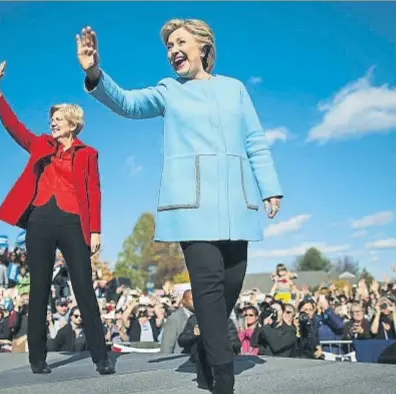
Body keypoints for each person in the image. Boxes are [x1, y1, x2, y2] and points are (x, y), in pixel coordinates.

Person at [76, 19, 282, 393]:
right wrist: (94, 73)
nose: (172, 50)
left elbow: (255, 140)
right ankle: (223, 377)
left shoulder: (234, 89)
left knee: (231, 283)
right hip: (192, 206)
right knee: (208, 288)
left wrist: (270, 188)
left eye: (180, 41)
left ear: (203, 46)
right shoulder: (168, 90)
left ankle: (205, 344)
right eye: (169, 45)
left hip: (237, 204)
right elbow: (128, 103)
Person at [0, 61, 114, 375]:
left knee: (84, 288)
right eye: (52, 119)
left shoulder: (88, 154)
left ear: (73, 124)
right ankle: (37, 359)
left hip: (74, 223)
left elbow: (94, 192)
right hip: (40, 221)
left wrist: (95, 231)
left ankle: (101, 357)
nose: (53, 123)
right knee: (39, 289)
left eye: (59, 119)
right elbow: (14, 127)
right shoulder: (40, 144)